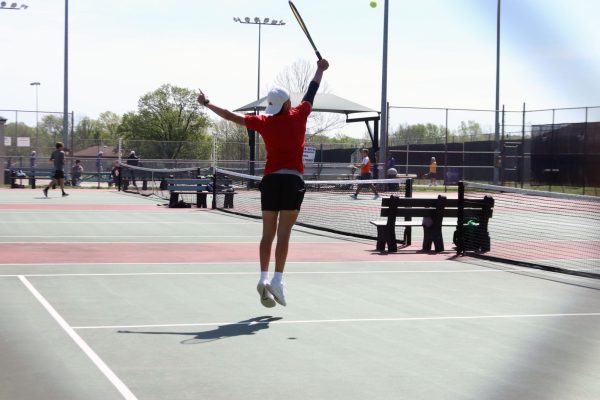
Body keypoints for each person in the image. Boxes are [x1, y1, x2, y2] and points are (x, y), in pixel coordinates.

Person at [197, 58, 330, 308]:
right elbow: (312, 91)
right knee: (284, 235)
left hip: (270, 181)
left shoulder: (264, 122)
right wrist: (320, 69)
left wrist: (206, 103)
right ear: (288, 103)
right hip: (292, 181)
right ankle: (277, 280)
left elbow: (228, 115)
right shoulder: (299, 115)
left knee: (267, 234)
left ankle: (262, 277)